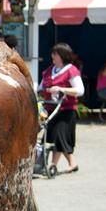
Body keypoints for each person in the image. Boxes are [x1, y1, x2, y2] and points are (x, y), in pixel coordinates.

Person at [40, 43, 84, 174]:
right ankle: (72, 162)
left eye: (56, 53)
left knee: (58, 136)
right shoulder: (49, 70)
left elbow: (80, 90)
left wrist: (61, 89)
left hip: (66, 109)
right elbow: (41, 87)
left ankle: (52, 165)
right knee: (52, 137)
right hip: (50, 109)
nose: (52, 56)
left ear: (62, 55)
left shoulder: (71, 70)